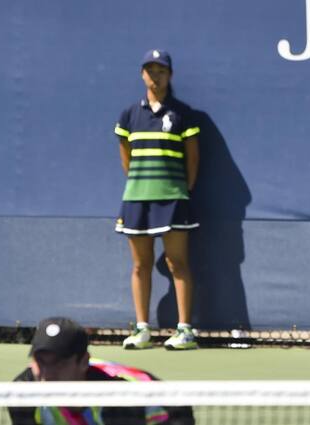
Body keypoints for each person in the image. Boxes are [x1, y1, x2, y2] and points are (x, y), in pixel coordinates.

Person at [113, 49, 200, 350]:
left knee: (178, 263)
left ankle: (186, 331)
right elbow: (126, 157)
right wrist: (140, 184)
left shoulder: (182, 114)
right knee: (140, 265)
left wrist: (180, 188)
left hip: (173, 199)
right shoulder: (129, 115)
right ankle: (142, 330)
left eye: (161, 70)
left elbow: (192, 161)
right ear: (142, 75)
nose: (155, 76)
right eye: (150, 71)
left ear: (170, 75)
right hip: (137, 199)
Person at [8, 316, 194, 425]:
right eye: (40, 361)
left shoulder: (124, 399)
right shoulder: (22, 394)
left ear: (83, 362)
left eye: (59, 363)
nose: (47, 373)